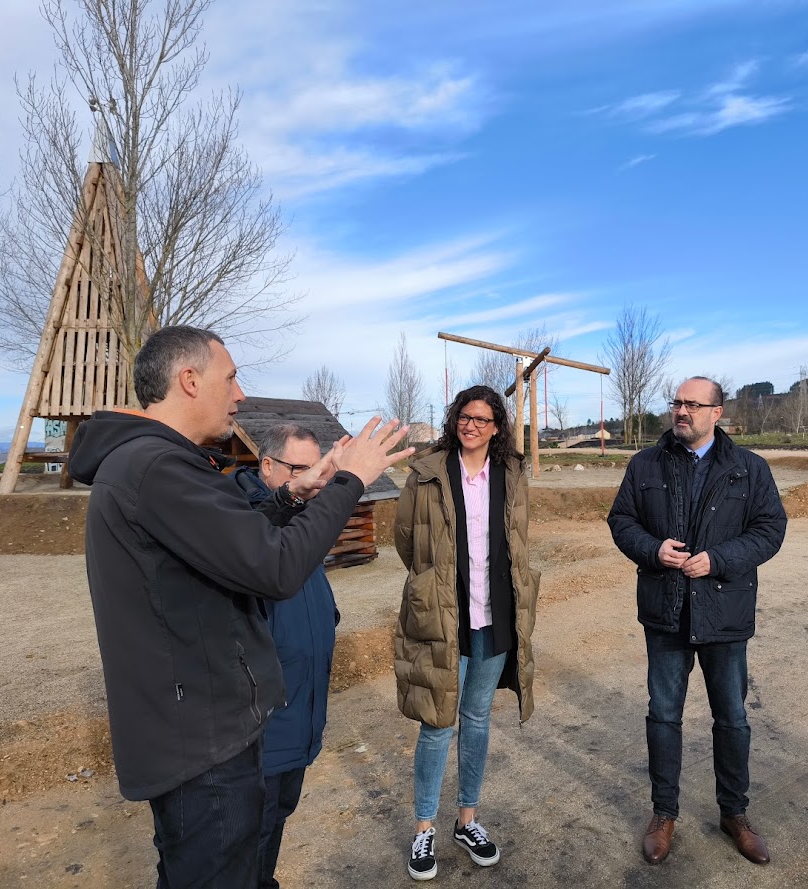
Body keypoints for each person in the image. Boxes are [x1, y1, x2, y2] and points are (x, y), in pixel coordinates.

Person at [68, 325, 411, 888]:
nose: (240, 394)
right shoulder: (157, 469)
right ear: (189, 380)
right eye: (230, 378)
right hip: (201, 741)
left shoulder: (155, 466)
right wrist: (351, 480)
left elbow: (227, 543)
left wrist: (288, 497)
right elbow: (274, 568)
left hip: (197, 729)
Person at [608, 376, 787, 868]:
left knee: (732, 717)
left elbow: (771, 529)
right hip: (666, 613)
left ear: (717, 412)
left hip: (723, 613)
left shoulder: (748, 469)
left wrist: (720, 559)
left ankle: (735, 814)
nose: (681, 410)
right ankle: (664, 814)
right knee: (663, 715)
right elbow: (621, 520)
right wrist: (652, 549)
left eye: (692, 403)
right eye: (677, 402)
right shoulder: (645, 464)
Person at [393, 385, 540, 882]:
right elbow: (406, 540)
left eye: (482, 419)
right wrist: (433, 584)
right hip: (444, 613)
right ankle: (424, 827)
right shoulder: (428, 472)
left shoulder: (512, 473)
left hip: (495, 612)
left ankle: (467, 820)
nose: (471, 425)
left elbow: (517, 539)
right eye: (464, 417)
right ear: (455, 419)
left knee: (476, 716)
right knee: (438, 722)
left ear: (497, 426)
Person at [233, 423, 341, 889]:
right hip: (262, 727)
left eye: (322, 469)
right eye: (303, 469)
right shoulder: (244, 526)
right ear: (269, 466)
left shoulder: (301, 525)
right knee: (248, 837)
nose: (315, 480)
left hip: (300, 712)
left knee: (275, 820)